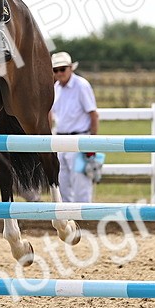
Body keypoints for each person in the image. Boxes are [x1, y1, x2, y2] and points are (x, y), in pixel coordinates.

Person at [51, 51, 99, 202]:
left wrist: (92, 142)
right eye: (56, 70)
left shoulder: (81, 86)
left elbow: (93, 114)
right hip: (60, 140)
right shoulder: (55, 88)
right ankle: (70, 220)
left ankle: (84, 218)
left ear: (70, 68)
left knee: (81, 184)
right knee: (62, 183)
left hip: (79, 139)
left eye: (62, 69)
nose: (59, 73)